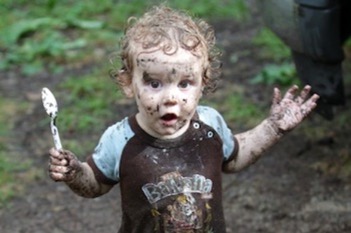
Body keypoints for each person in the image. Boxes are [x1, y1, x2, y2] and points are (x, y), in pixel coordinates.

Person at [48, 5, 319, 233]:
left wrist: (273, 128)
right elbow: (94, 185)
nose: (171, 98)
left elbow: (235, 157)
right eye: (154, 83)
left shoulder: (210, 126)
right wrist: (74, 172)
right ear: (129, 82)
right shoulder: (120, 139)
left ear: (204, 82)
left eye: (185, 83)